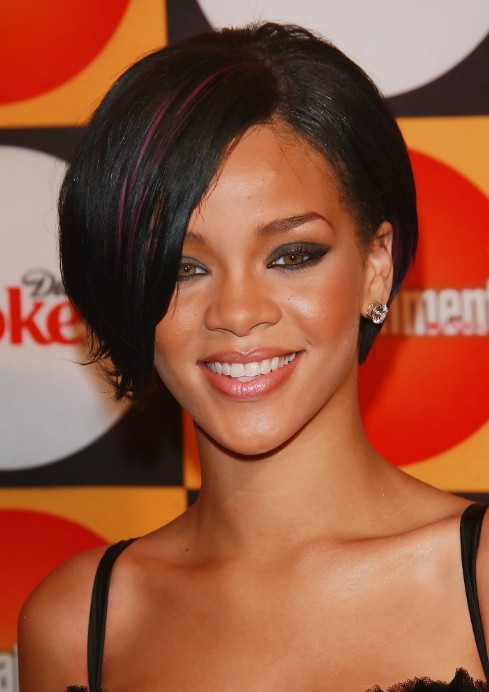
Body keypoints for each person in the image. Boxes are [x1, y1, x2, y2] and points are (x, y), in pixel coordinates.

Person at [17, 22, 488, 692]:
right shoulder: (78, 624)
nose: (237, 313)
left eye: (291, 256)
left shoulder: (478, 582)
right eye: (182, 268)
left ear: (375, 266)